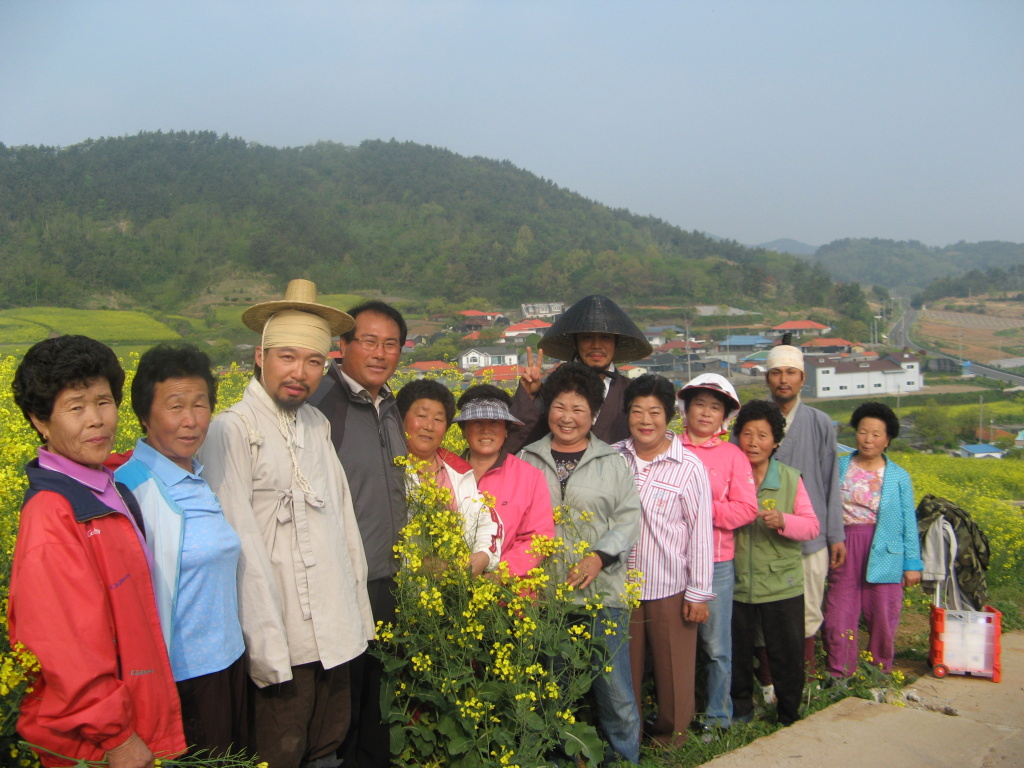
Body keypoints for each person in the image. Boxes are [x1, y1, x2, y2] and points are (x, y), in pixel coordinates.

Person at [198, 279, 374, 768]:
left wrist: (355, 617)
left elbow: (343, 526)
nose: (300, 373)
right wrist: (266, 647)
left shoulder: (316, 426)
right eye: (287, 357)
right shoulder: (231, 430)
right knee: (279, 751)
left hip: (332, 632)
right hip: (279, 636)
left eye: (314, 362)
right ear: (260, 356)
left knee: (327, 747)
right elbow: (238, 545)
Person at [9, 335, 186, 768]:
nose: (97, 420)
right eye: (76, 407)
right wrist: (117, 738)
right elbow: (65, 648)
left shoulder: (109, 487)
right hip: (98, 745)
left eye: (104, 402)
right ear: (40, 421)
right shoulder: (54, 515)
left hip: (133, 714)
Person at [114, 343, 246, 756]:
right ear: (143, 415)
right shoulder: (129, 488)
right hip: (181, 680)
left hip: (228, 664)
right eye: (175, 407)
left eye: (200, 405)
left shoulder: (200, 477)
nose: (191, 421)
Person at [519, 362, 642, 764]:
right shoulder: (527, 459)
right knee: (554, 689)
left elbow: (628, 519)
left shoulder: (612, 462)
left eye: (578, 408)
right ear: (547, 409)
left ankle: (623, 758)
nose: (567, 417)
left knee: (615, 692)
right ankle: (558, 760)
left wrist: (598, 556)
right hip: (548, 597)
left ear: (592, 414)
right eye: (559, 406)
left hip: (602, 595)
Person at [307, 300, 408, 768]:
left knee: (380, 702)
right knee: (340, 706)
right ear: (342, 346)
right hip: (342, 582)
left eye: (390, 344)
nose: (379, 353)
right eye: (368, 341)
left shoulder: (391, 405)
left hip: (390, 580)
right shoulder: (319, 405)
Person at [612, 374, 714, 747]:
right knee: (624, 674)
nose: (645, 420)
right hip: (619, 589)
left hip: (669, 586)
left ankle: (673, 743)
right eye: (637, 411)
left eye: (654, 411)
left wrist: (698, 593)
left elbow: (701, 532)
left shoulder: (688, 467)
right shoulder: (613, 456)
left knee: (674, 673)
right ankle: (628, 741)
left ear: (669, 416)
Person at [731, 400, 820, 726]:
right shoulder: (730, 475)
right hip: (737, 581)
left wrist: (784, 520)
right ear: (737, 436)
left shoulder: (790, 478)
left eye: (763, 435)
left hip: (782, 582)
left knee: (786, 654)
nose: (753, 442)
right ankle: (741, 712)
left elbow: (811, 526)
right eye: (747, 433)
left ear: (776, 442)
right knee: (737, 653)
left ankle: (788, 714)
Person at [676, 373, 757, 729]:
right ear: (686, 409)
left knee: (715, 647)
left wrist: (703, 509)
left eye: (715, 408)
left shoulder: (733, 456)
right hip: (672, 561)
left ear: (724, 416)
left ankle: (716, 718)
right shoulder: (669, 447)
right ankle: (675, 715)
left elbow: (746, 509)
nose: (706, 413)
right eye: (700, 405)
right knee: (674, 643)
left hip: (717, 563)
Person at [758, 341, 845, 670]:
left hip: (810, 537)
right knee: (765, 611)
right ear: (767, 379)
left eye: (791, 373)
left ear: (802, 378)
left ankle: (802, 680)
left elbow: (829, 481)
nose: (783, 379)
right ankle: (767, 683)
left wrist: (834, 535)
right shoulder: (754, 418)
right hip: (762, 533)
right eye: (776, 373)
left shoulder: (819, 422)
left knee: (808, 610)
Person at [824, 402, 923, 677]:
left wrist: (912, 563)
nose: (868, 439)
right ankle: (839, 674)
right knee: (838, 615)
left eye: (876, 434)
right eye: (863, 431)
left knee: (883, 616)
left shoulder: (899, 476)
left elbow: (908, 522)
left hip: (885, 551)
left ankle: (879, 674)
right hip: (844, 546)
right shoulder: (839, 466)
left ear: (888, 439)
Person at [506, 295, 653, 453]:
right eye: (587, 337)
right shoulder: (555, 388)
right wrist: (530, 396)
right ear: (575, 343)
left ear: (616, 343)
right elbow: (518, 440)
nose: (596, 346)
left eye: (605, 337)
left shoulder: (632, 392)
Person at [396, 379, 501, 576]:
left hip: (458, 587)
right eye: (421, 416)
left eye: (438, 419)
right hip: (405, 589)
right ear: (400, 419)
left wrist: (483, 555)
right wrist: (417, 565)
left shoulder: (459, 471)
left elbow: (486, 520)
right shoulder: (389, 470)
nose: (429, 426)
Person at [454, 384, 555, 578]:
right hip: (454, 593)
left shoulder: (529, 477)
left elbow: (539, 539)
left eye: (494, 422)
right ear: (463, 430)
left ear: (506, 430)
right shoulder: (445, 474)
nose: (486, 430)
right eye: (476, 422)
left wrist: (500, 574)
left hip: (511, 596)